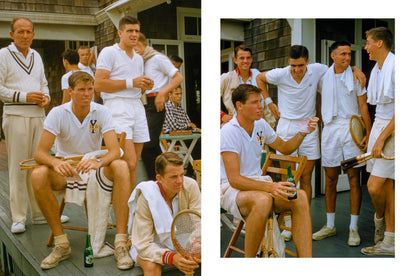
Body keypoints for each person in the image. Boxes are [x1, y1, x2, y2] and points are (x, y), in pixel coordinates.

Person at [31, 71, 134, 270]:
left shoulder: (101, 111)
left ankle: (121, 243)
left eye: (90, 89)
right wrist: (55, 162)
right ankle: (61, 244)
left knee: (121, 166)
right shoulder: (58, 113)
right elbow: (40, 153)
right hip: (67, 170)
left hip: (93, 169)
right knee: (37, 174)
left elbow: (114, 150)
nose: (87, 94)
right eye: (81, 90)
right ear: (70, 92)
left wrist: (100, 162)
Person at [221, 84, 318, 257]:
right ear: (239, 105)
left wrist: (303, 132)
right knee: (263, 200)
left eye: (261, 101)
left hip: (259, 185)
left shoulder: (261, 124)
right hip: (230, 189)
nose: (261, 106)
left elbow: (285, 147)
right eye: (254, 102)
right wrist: (271, 187)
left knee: (300, 196)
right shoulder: (228, 132)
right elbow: (234, 179)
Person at [0, 17, 57, 234]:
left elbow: (43, 84)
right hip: (15, 115)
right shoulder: (3, 55)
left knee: (39, 164)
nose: (25, 36)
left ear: (33, 34)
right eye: (20, 32)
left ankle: (41, 213)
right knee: (18, 167)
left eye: (29, 32)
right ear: (12, 34)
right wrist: (24, 96)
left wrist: (47, 98)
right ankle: (18, 217)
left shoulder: (36, 55)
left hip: (38, 115)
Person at [312, 41, 371, 246]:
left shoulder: (356, 76)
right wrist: (321, 129)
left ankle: (353, 228)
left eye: (349, 54)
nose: (347, 57)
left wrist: (369, 132)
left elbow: (363, 106)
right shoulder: (322, 77)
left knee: (354, 179)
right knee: (330, 180)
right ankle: (330, 225)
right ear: (332, 56)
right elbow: (319, 103)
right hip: (330, 128)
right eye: (343, 54)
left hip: (352, 129)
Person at [95, 16, 153, 191]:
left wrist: (144, 86)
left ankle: (131, 209)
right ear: (120, 33)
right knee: (128, 161)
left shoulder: (138, 58)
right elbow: (98, 84)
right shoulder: (109, 52)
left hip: (137, 107)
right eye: (130, 31)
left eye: (136, 31)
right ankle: (115, 200)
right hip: (116, 108)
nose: (134, 34)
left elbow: (134, 86)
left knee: (134, 164)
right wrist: (131, 82)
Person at [128, 152, 201, 275]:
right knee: (152, 267)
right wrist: (171, 257)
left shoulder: (190, 185)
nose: (179, 181)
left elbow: (200, 223)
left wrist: (194, 247)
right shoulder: (147, 196)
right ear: (159, 178)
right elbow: (143, 243)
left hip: (184, 241)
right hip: (150, 244)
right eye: (173, 177)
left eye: (182, 175)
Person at [360, 27, 395, 256]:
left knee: (373, 185)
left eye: (368, 43)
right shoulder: (377, 68)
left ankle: (379, 221)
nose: (365, 47)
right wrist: (372, 133)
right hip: (380, 125)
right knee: (388, 186)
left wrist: (382, 138)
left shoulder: (398, 66)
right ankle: (391, 241)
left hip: (393, 130)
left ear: (379, 43)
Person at [134, 32, 184, 180]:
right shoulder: (139, 62)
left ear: (142, 44)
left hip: (156, 102)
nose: (134, 50)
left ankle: (154, 180)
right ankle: (164, 177)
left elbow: (178, 77)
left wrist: (163, 93)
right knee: (152, 144)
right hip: (143, 103)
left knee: (147, 144)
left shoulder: (157, 58)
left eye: (136, 46)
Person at [220, 45, 275, 127]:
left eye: (248, 58)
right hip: (235, 125)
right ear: (235, 60)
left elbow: (265, 104)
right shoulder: (226, 78)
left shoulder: (259, 77)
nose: (245, 61)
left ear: (251, 59)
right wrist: (222, 115)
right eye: (241, 58)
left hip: (256, 125)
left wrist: (270, 124)